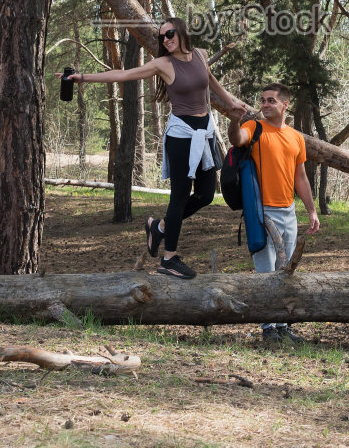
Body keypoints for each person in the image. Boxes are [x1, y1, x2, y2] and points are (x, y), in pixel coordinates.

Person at [70, 17, 251, 279]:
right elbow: (123, 75)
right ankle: (169, 259)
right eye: (161, 37)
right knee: (179, 197)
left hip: (205, 132)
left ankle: (159, 226)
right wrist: (83, 77)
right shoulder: (163, 64)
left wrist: (232, 103)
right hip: (181, 136)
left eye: (169, 34)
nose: (165, 39)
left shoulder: (200, 54)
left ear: (182, 33)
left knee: (206, 195)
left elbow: (212, 84)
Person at [231, 81, 321, 345]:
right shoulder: (254, 128)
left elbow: (301, 177)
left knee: (285, 270)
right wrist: (235, 121)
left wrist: (312, 211)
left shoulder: (295, 137)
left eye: (271, 100)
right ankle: (268, 328)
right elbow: (236, 140)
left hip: (288, 212)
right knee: (265, 270)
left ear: (285, 104)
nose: (265, 105)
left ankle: (282, 326)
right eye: (263, 100)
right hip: (261, 211)